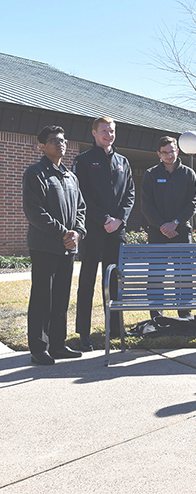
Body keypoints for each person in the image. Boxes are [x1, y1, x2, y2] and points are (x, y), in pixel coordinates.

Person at [22, 126, 86, 365]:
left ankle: (58, 345)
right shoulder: (35, 173)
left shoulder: (70, 176)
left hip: (68, 248)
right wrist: (63, 232)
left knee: (61, 297)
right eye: (54, 141)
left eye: (63, 140)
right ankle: (39, 348)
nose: (60, 144)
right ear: (41, 146)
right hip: (44, 246)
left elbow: (81, 209)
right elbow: (35, 212)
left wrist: (78, 233)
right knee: (42, 297)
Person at [74, 117, 135, 351]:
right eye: (104, 131)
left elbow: (130, 193)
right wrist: (103, 219)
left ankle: (116, 327)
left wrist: (119, 220)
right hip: (93, 229)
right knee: (87, 281)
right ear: (94, 133)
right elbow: (82, 196)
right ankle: (84, 333)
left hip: (117, 231)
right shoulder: (84, 161)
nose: (108, 134)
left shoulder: (123, 161)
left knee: (114, 281)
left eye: (111, 131)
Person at [141, 136, 196, 319]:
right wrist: (161, 225)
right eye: (165, 152)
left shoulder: (189, 174)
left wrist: (175, 223)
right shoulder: (150, 174)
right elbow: (146, 205)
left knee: (184, 276)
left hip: (181, 231)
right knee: (156, 277)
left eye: (172, 151)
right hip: (157, 232)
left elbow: (193, 203)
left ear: (177, 151)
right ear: (159, 154)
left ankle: (185, 316)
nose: (169, 155)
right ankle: (157, 317)